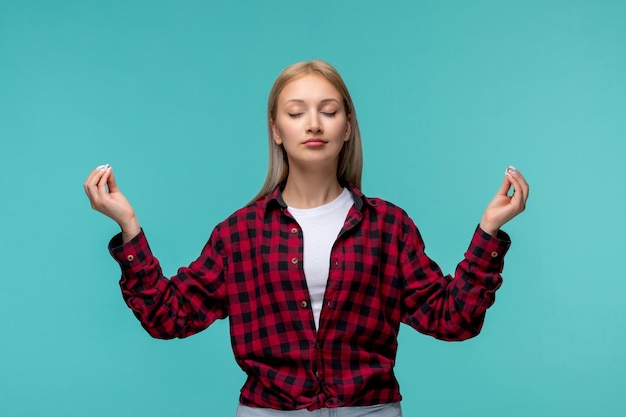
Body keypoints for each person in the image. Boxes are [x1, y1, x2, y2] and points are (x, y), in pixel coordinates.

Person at [83, 60, 529, 417]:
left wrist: (489, 231)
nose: (313, 123)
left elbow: (452, 319)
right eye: (296, 113)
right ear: (277, 130)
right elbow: (168, 316)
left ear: (348, 126)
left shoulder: (387, 226)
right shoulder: (240, 233)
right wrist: (129, 228)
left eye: (329, 111)